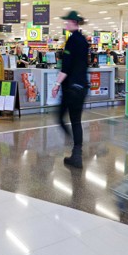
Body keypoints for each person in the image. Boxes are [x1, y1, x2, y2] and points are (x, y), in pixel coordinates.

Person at [52, 10, 89, 169]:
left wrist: (56, 84)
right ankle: (76, 154)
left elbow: (66, 68)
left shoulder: (72, 40)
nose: (65, 24)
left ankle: (73, 144)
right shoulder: (84, 40)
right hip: (82, 87)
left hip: (71, 88)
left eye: (67, 21)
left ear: (74, 22)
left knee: (60, 117)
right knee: (76, 121)